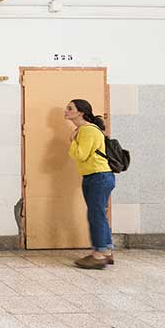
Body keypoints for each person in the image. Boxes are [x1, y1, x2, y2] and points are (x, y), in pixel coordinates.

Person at [66, 99, 116, 270]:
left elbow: (81, 155)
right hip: (96, 176)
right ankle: (107, 252)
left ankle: (98, 255)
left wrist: (72, 140)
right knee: (98, 214)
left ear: (80, 112)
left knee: (95, 215)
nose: (66, 111)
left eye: (70, 108)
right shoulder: (86, 129)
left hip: (98, 177)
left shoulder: (87, 130)